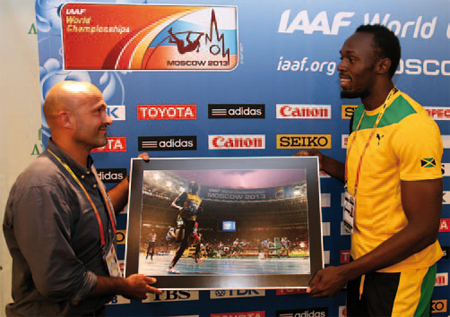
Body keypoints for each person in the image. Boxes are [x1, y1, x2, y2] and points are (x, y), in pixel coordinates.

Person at [295, 24, 443, 317]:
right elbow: (366, 178)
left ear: (382, 66)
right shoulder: (361, 113)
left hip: (401, 274)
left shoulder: (414, 127)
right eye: (342, 58)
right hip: (365, 265)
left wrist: (345, 272)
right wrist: (323, 163)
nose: (341, 66)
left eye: (352, 59)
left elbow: (424, 230)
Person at [3, 81, 162, 317]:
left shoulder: (79, 168)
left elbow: (94, 213)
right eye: (98, 111)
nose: (108, 120)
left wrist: (133, 181)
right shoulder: (42, 186)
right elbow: (59, 281)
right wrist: (123, 285)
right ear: (67, 120)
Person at [166, 181, 202, 273]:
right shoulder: (185, 194)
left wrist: (199, 211)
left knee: (184, 245)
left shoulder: (199, 199)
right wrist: (180, 208)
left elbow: (196, 209)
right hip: (182, 218)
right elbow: (173, 204)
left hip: (191, 221)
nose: (194, 186)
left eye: (195, 185)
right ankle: (171, 231)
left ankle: (171, 267)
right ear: (190, 187)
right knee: (179, 239)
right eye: (192, 185)